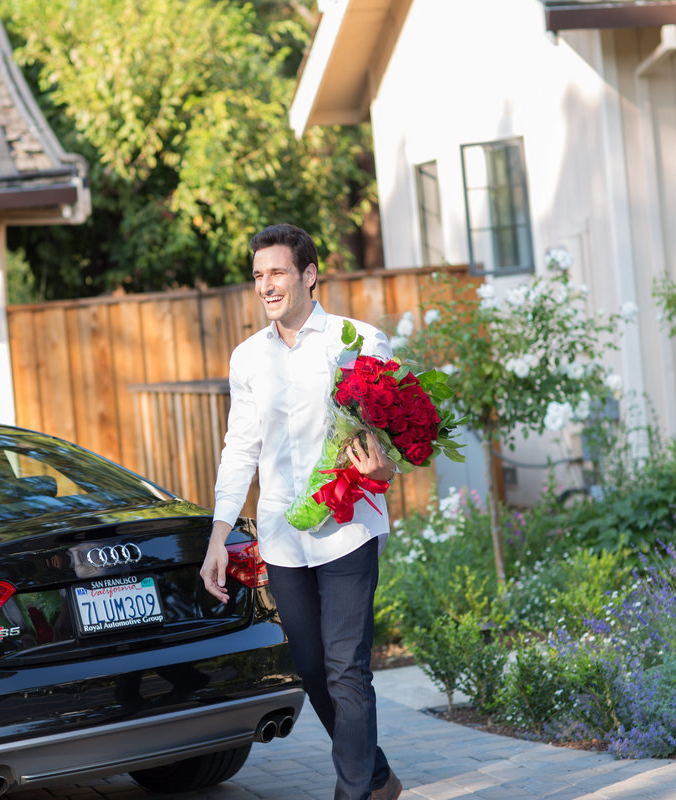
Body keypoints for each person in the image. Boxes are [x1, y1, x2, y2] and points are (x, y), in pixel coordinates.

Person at [200, 223, 403, 800]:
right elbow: (241, 448)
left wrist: (381, 471)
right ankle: (378, 775)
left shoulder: (358, 341)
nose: (266, 285)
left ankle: (355, 792)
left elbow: (386, 450)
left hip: (346, 530)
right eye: (259, 275)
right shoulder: (247, 358)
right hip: (284, 536)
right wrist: (219, 535)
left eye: (278, 273)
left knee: (347, 670)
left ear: (309, 275)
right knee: (313, 671)